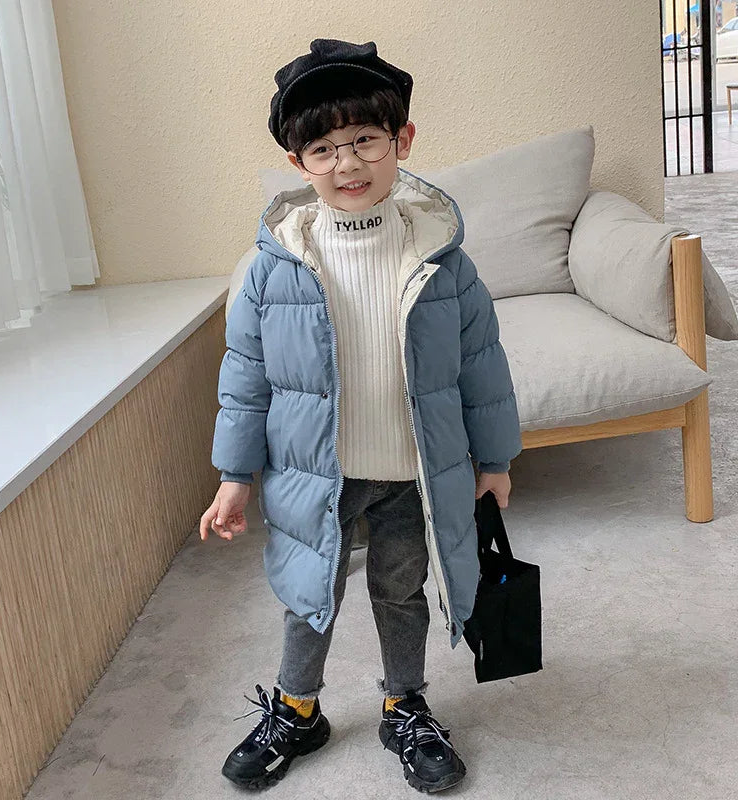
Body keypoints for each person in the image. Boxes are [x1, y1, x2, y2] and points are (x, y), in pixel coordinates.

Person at [200, 38, 522, 793]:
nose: (346, 165)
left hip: (411, 474)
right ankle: (296, 707)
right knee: (308, 596)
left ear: (401, 141)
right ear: (297, 163)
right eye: (323, 148)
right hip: (317, 476)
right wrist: (234, 476)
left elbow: (484, 368)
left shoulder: (442, 259)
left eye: (364, 141)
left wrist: (496, 462)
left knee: (402, 591)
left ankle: (404, 704)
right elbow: (244, 380)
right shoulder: (272, 267)